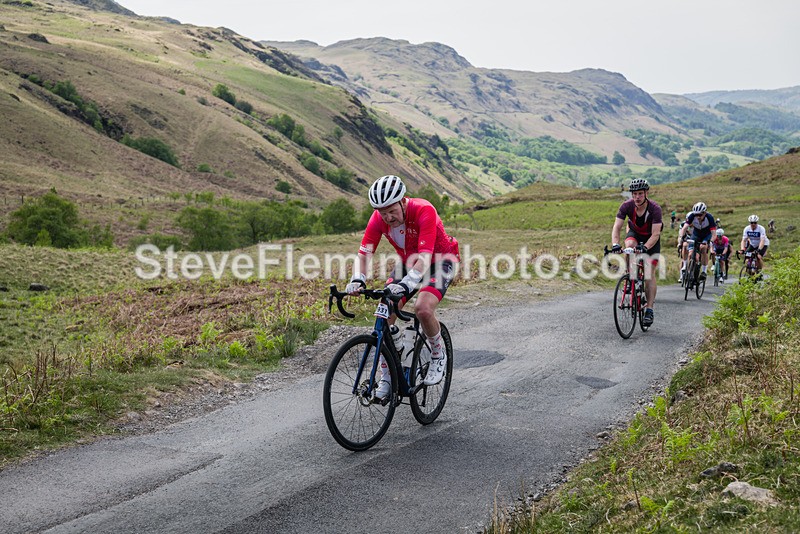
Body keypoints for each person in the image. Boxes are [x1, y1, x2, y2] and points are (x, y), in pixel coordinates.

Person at [346, 175, 460, 400]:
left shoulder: (423, 210)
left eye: (391, 210)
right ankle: (388, 375)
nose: (388, 217)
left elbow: (425, 259)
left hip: (441, 260)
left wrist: (407, 284)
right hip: (409, 262)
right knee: (384, 310)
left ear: (402, 201)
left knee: (423, 308)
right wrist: (358, 279)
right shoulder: (378, 219)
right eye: (382, 212)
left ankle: (438, 354)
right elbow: (365, 252)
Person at [611, 177, 662, 327]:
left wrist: (645, 247)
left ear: (646, 193)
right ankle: (630, 277)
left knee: (649, 272)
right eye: (634, 194)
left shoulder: (655, 209)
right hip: (634, 232)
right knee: (629, 245)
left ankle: (649, 309)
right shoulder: (626, 206)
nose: (637, 197)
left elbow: (656, 234)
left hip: (651, 238)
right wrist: (615, 244)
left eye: (640, 194)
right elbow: (617, 227)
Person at [677, 202, 717, 282]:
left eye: (700, 215)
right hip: (696, 234)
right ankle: (689, 270)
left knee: (703, 248)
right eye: (696, 215)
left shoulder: (709, 217)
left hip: (707, 235)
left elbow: (714, 234)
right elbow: (684, 228)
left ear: (704, 213)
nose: (698, 217)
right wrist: (681, 238)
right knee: (691, 253)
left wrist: (711, 242)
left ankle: (704, 271)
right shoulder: (692, 216)